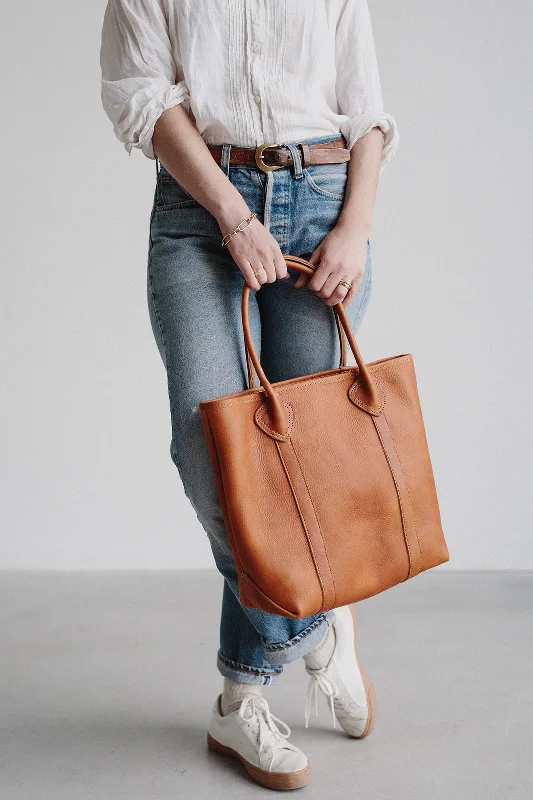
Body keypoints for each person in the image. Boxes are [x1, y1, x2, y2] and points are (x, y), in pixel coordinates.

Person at [100, 0, 398, 790]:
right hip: (200, 212)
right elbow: (142, 96)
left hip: (325, 200)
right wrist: (233, 215)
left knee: (316, 457)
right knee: (211, 447)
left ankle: (239, 696)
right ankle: (322, 611)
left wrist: (355, 228)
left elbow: (367, 113)